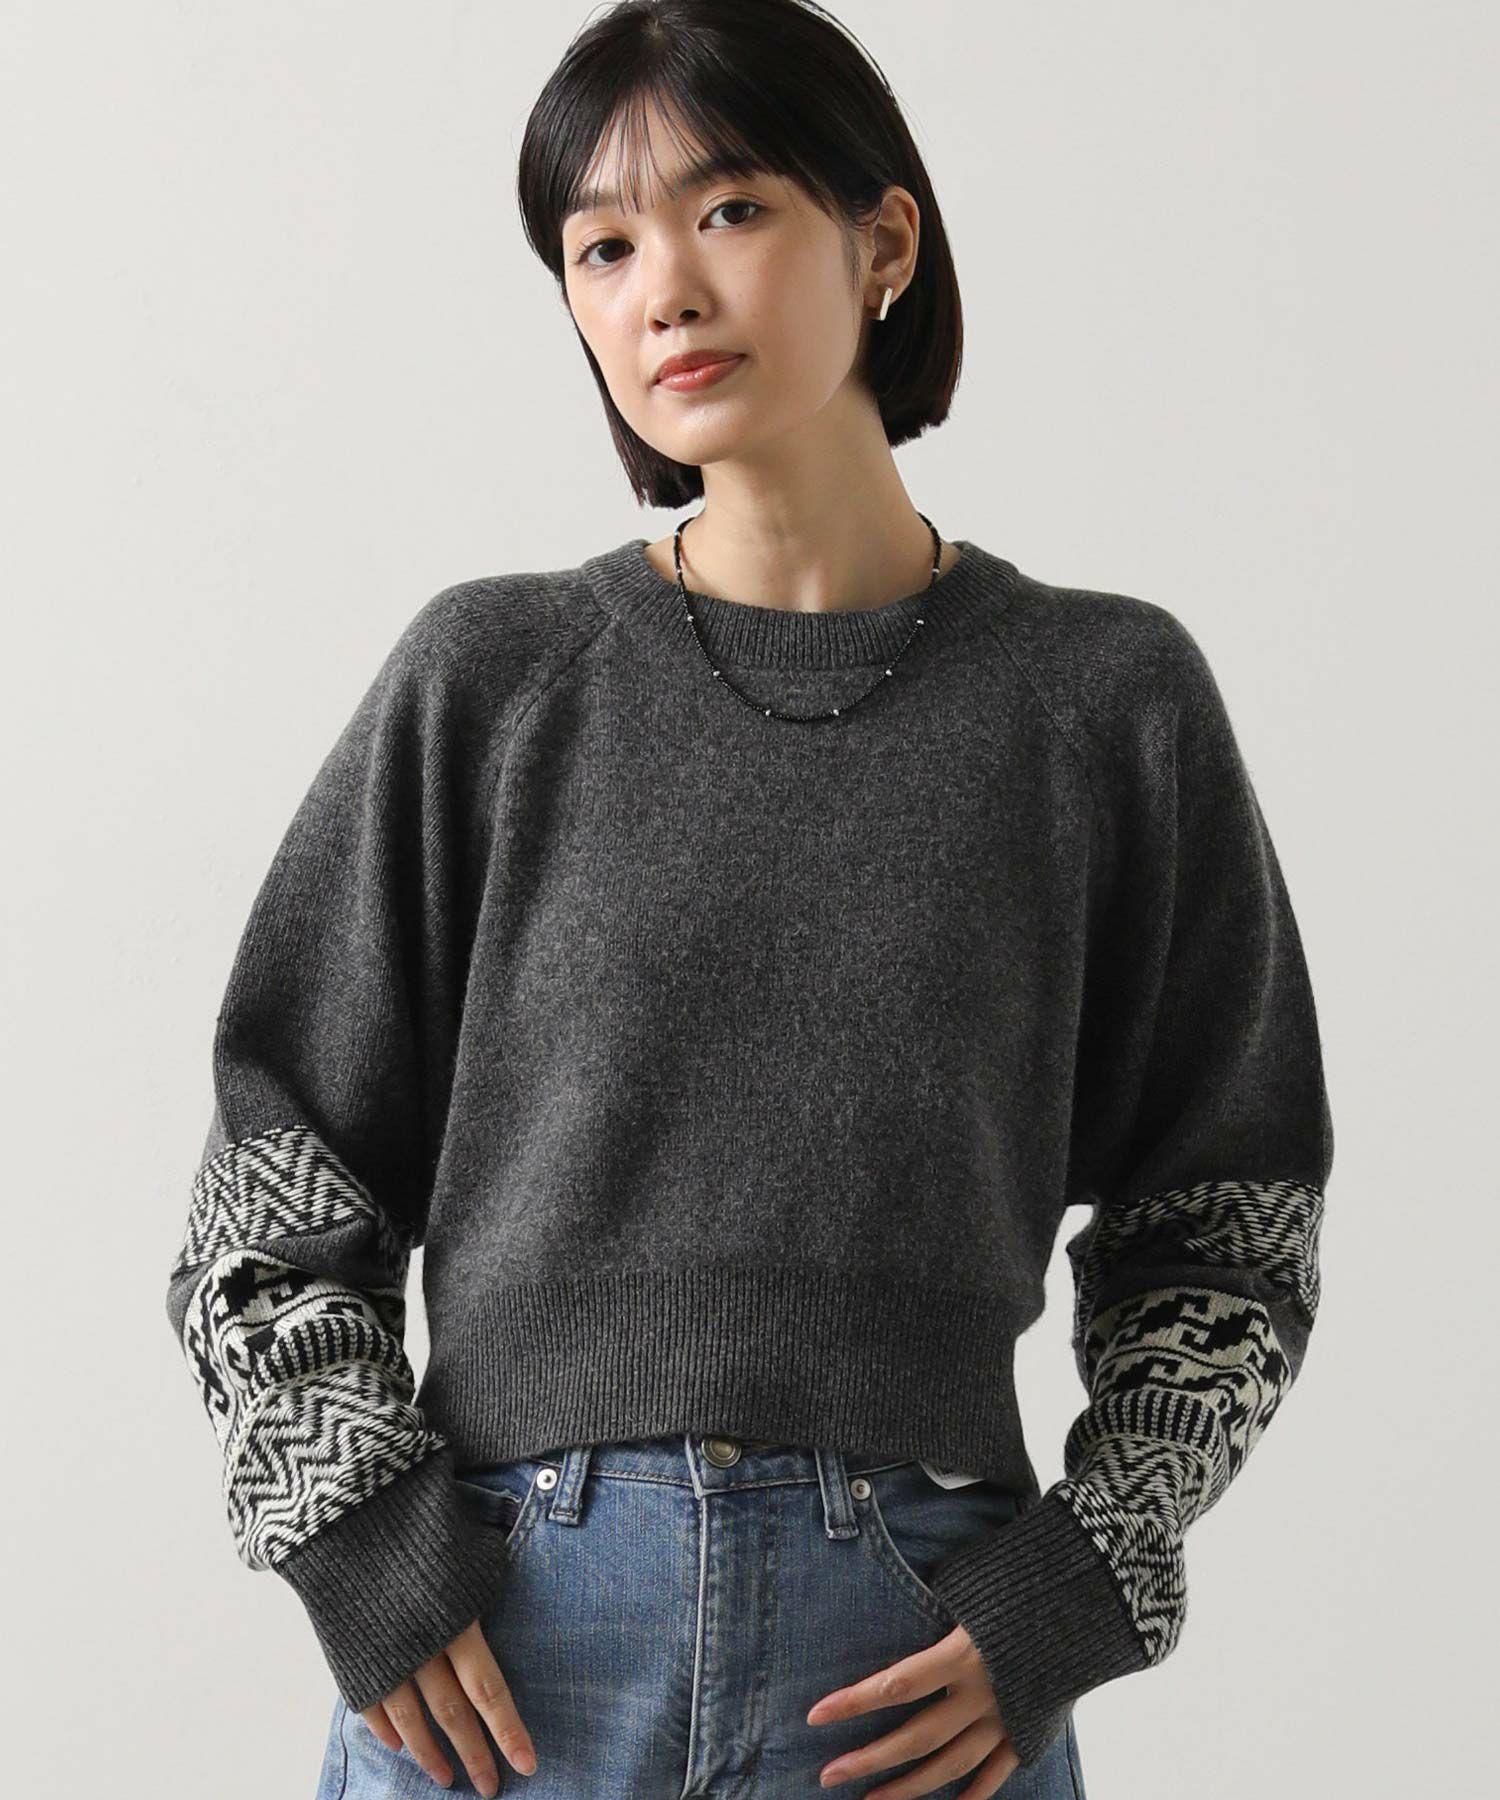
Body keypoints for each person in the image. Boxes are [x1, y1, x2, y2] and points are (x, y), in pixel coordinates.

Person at [165, 4, 1334, 1797]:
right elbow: (273, 1176)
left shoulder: (1102, 701)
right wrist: (363, 1547)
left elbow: (1231, 1217)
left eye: (728, 211)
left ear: (884, 242)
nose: (666, 293)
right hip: (504, 1656)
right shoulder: (494, 679)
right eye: (602, 248)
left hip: (913, 1658)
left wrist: (1089, 1575)